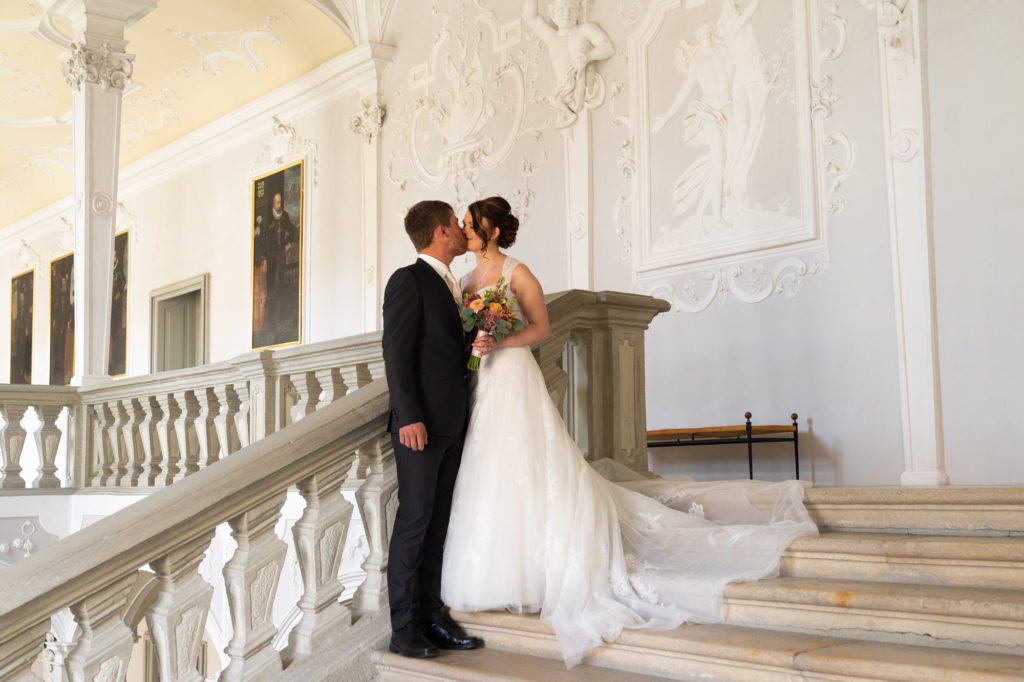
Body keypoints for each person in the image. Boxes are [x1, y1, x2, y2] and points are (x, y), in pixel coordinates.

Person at [441, 196, 818, 667]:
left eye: (473, 225)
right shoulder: (465, 280)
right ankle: (495, 573)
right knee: (488, 465)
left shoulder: (517, 273)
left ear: (493, 230)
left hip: (514, 373)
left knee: (526, 460)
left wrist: (500, 338)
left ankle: (539, 569)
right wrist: (475, 343)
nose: (466, 230)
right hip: (485, 378)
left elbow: (540, 328)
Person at [381, 200, 491, 659]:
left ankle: (431, 617)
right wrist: (409, 417)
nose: (462, 231)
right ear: (442, 232)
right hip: (420, 427)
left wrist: (474, 343)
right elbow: (396, 352)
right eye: (456, 224)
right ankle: (404, 628)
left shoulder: (451, 284)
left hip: (452, 421)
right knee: (414, 522)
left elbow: (441, 349)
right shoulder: (407, 280)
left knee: (438, 525)